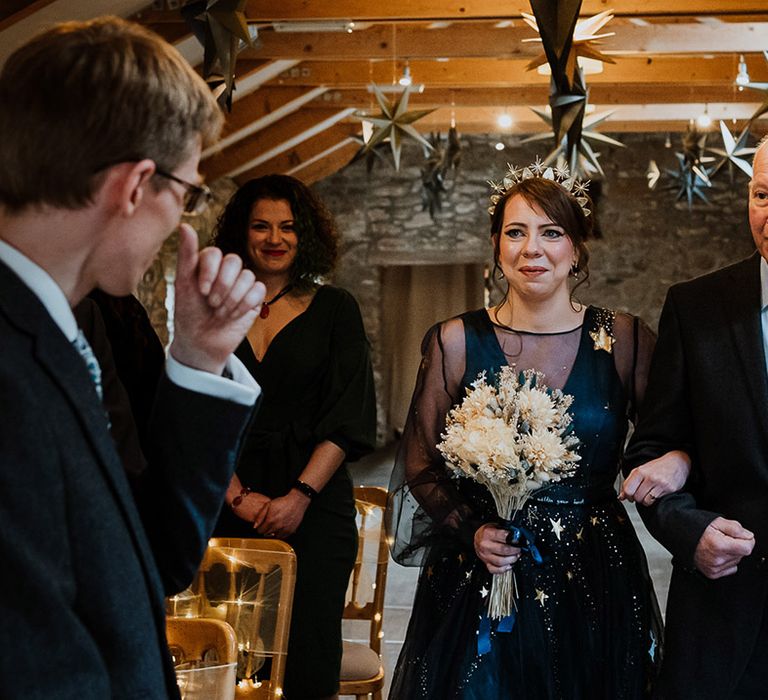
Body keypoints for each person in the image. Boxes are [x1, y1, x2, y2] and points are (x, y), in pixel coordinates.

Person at [0, 17, 267, 698]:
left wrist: (200, 359)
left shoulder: (77, 327)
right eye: (187, 193)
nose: (183, 220)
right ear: (133, 186)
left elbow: (149, 557)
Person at [387, 164, 690, 699]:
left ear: (576, 248)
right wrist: (471, 530)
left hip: (595, 569)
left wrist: (676, 459)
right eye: (515, 232)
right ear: (497, 246)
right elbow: (419, 462)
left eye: (551, 232)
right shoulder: (455, 341)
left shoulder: (623, 339)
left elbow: (667, 433)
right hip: (481, 569)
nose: (533, 248)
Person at [212, 174, 377, 700]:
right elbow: (198, 413)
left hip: (314, 508)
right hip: (226, 499)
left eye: (287, 226)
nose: (274, 237)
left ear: (305, 235)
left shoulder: (336, 309)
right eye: (261, 225)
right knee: (228, 652)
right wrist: (235, 495)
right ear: (242, 234)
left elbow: (348, 416)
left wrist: (299, 497)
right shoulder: (216, 308)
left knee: (306, 655)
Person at [623, 137, 768, 699]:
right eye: (761, 194)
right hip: (723, 619)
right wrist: (691, 532)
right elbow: (650, 452)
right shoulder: (696, 307)